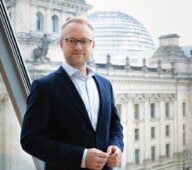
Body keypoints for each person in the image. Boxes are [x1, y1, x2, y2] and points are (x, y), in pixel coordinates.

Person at [20, 17, 124, 170]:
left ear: (92, 45)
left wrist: (116, 146)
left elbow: (115, 125)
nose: (78, 46)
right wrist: (81, 157)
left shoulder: (105, 84)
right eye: (71, 40)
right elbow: (30, 140)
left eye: (84, 41)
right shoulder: (44, 87)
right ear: (61, 44)